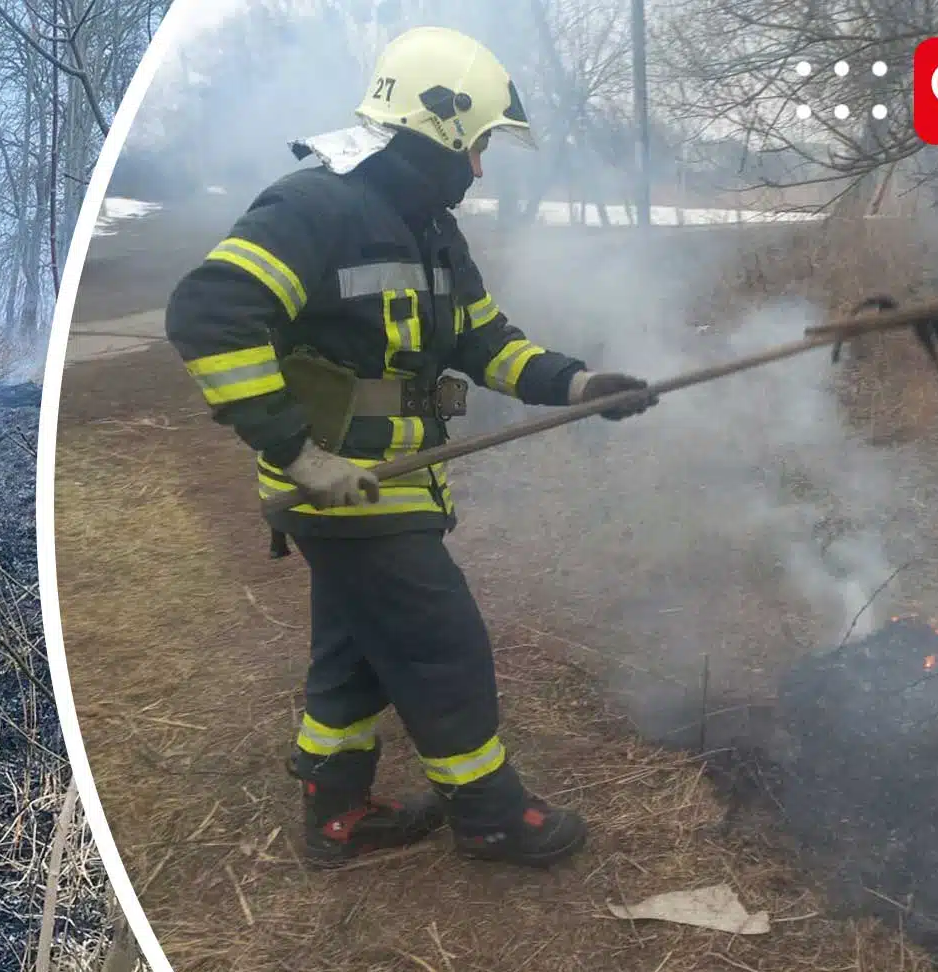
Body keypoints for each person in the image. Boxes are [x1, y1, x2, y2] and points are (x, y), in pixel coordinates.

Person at [163, 26, 659, 870]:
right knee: (441, 642)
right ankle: (492, 815)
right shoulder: (315, 207)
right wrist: (301, 456)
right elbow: (209, 314)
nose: (480, 169)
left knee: (358, 645)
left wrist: (578, 386)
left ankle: (336, 809)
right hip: (345, 486)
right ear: (442, 129)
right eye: (479, 148)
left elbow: (483, 339)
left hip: (391, 483)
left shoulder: (426, 226)